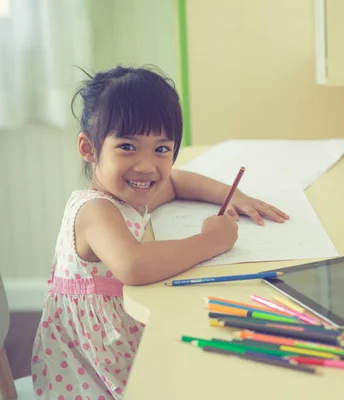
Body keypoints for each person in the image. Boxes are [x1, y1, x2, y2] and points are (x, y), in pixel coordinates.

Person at [30, 65, 289, 399]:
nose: (146, 166)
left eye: (162, 149)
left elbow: (177, 181)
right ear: (88, 149)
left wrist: (234, 195)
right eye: (127, 147)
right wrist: (212, 240)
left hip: (117, 339)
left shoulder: (129, 192)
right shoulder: (95, 209)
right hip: (88, 369)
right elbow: (134, 265)